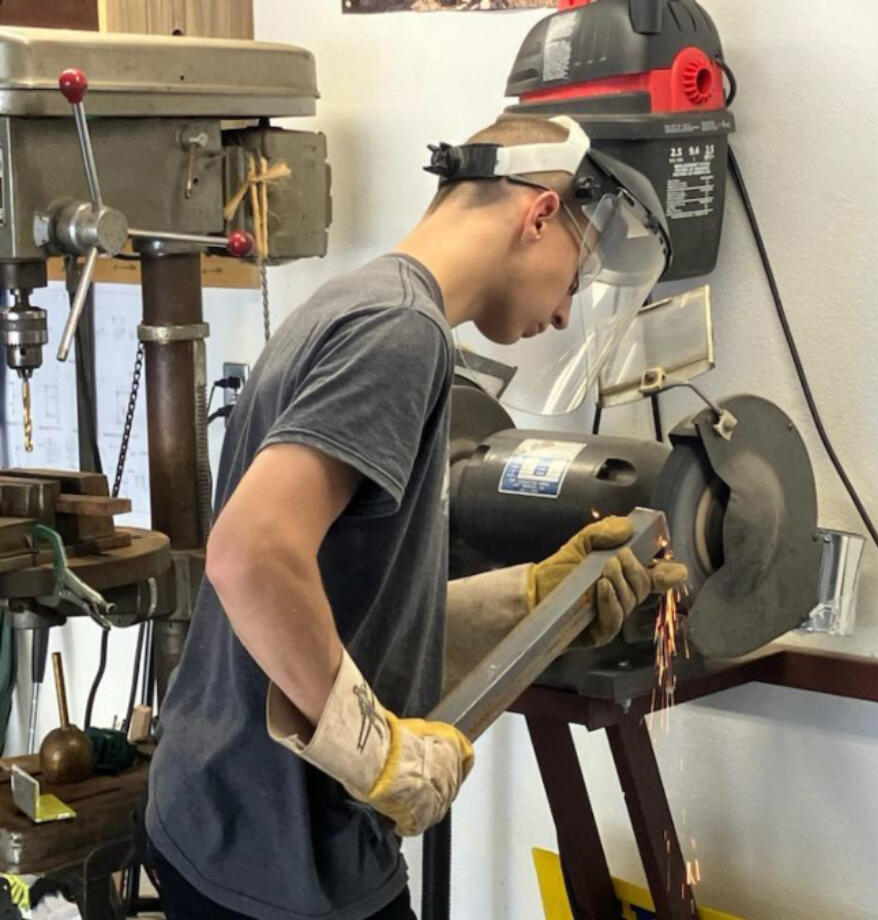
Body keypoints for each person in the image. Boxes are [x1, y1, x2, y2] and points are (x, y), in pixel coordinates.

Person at [142, 113, 685, 920]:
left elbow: (340, 598)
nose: (567, 314)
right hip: (283, 857)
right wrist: (381, 756)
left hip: (232, 825)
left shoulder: (358, 300)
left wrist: (532, 598)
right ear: (539, 216)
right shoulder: (403, 333)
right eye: (577, 279)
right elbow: (250, 557)